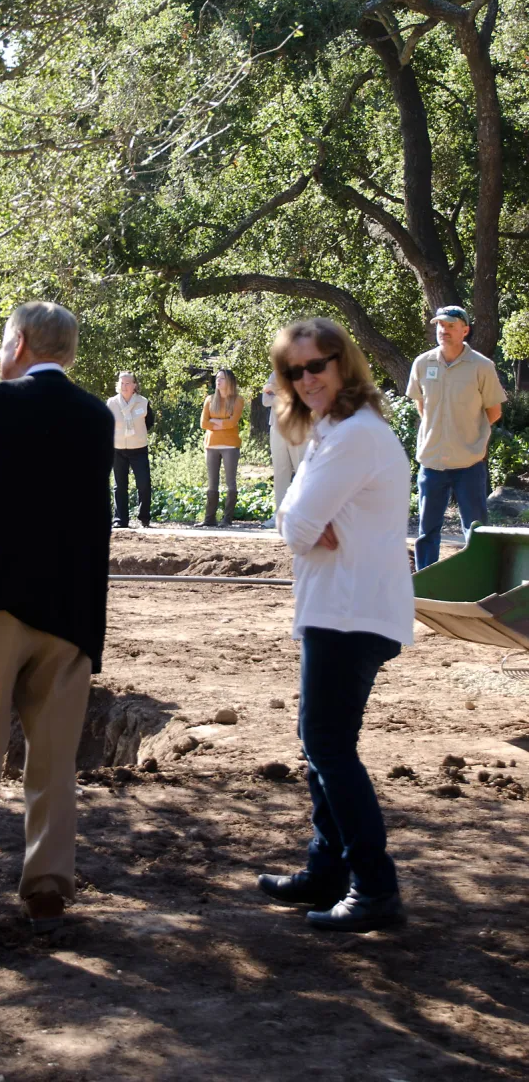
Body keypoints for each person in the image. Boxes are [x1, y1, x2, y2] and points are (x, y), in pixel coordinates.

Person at [0, 302, 114, 940]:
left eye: (6, 342)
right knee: (55, 758)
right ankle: (48, 889)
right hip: (70, 609)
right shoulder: (97, 417)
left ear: (22, 343)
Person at [256, 317, 414, 933]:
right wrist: (299, 517)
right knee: (322, 740)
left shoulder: (354, 437)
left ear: (343, 362)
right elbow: (293, 518)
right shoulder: (335, 433)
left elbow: (294, 526)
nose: (305, 379)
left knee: (327, 743)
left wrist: (301, 518)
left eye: (315, 365)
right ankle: (327, 869)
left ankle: (374, 885)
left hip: (350, 611)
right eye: (293, 371)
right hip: (340, 607)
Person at [406, 305, 506, 570]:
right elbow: (422, 406)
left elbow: (494, 412)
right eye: (440, 325)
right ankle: (426, 583)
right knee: (427, 532)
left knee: (476, 532)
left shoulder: (482, 367)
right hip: (432, 462)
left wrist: (467, 436)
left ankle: (479, 581)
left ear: (465, 330)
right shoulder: (422, 363)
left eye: (451, 326)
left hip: (469, 464)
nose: (444, 331)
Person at [107, 371, 154, 529]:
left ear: (134, 385)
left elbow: (149, 422)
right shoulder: (111, 403)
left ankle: (144, 518)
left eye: (127, 383)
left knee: (144, 484)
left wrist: (138, 436)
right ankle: (120, 520)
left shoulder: (143, 402)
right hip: (118, 449)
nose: (124, 386)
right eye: (121, 383)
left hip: (139, 449)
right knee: (119, 486)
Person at [260, 371, 308, 528]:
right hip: (277, 427)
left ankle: (303, 515)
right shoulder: (276, 373)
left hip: (299, 427)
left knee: (302, 471)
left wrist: (277, 393)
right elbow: (265, 400)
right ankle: (279, 515)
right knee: (280, 472)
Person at [198, 368, 243, 527]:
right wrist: (222, 422)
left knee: (230, 482)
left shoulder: (238, 400)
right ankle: (209, 519)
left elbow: (233, 422)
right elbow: (203, 423)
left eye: (222, 378)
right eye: (217, 378)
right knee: (212, 483)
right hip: (211, 445)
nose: (218, 381)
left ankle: (227, 519)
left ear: (229, 381)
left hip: (230, 445)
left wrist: (215, 422)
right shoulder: (209, 400)